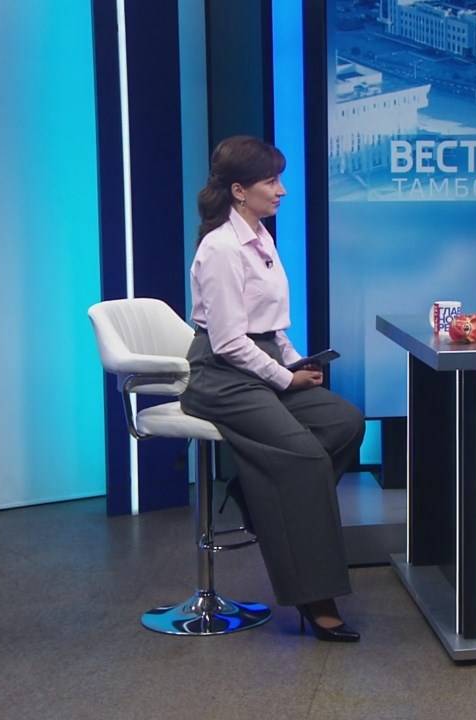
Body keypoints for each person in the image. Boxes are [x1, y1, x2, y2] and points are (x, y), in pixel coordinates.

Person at [180, 135, 365, 642]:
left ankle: (257, 495)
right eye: (271, 181)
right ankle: (315, 596)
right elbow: (228, 341)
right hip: (221, 375)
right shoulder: (221, 248)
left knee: (345, 422)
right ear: (239, 190)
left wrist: (294, 361)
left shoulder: (261, 236)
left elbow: (271, 327)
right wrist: (285, 378)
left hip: (258, 363)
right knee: (304, 459)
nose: (282, 190)